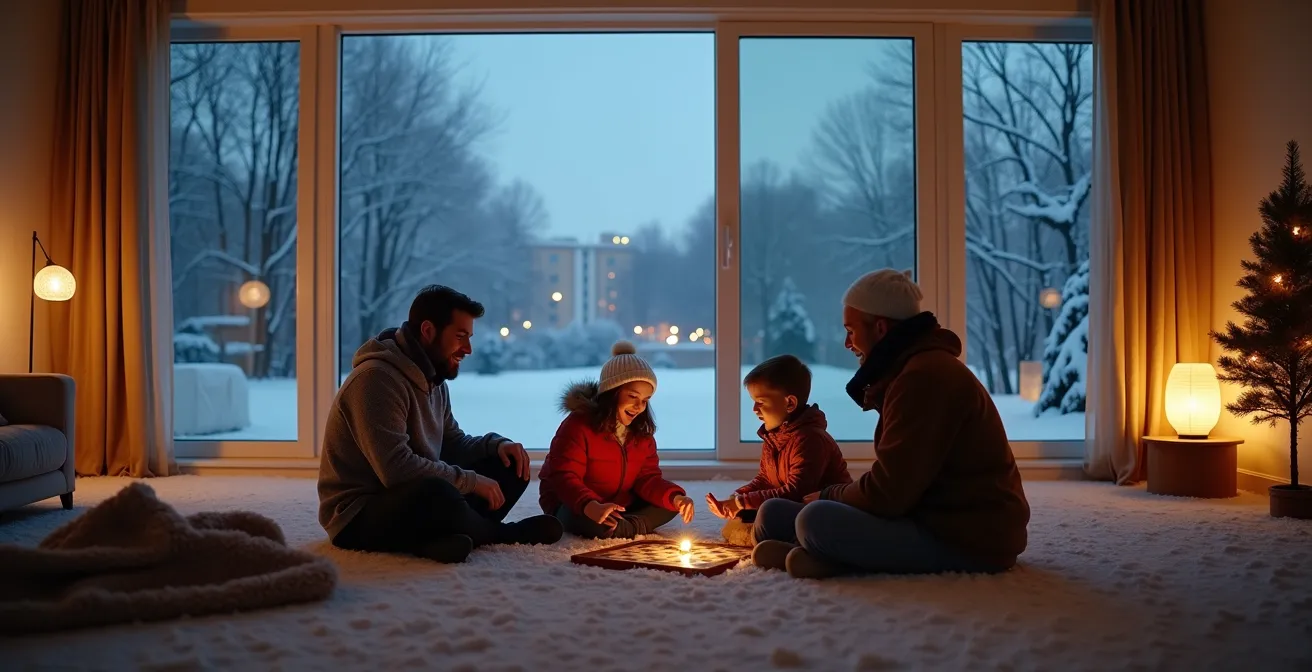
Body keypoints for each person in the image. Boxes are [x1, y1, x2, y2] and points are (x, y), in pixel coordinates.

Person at [752, 269, 1031, 579]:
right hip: (919, 514)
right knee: (773, 512)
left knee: (814, 519)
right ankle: (821, 554)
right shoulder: (909, 371)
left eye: (851, 330)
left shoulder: (925, 378)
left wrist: (831, 494)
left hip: (969, 537)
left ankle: (832, 557)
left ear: (880, 328)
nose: (847, 343)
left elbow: (887, 494)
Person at [318, 285, 563, 564]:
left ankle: (439, 540)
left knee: (511, 466)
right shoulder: (376, 380)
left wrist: (496, 446)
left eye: (469, 337)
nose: (468, 349)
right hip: (359, 514)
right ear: (428, 331)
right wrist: (470, 482)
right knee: (438, 492)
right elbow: (397, 471)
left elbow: (452, 443)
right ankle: (498, 534)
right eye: (460, 336)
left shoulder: (433, 377)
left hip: (418, 502)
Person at [538, 341, 696, 539]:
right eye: (632, 396)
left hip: (620, 502)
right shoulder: (578, 425)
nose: (639, 406)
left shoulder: (641, 433)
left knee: (669, 505)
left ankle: (623, 526)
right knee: (589, 521)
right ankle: (627, 525)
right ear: (612, 392)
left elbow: (647, 479)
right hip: (574, 502)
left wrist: (676, 498)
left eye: (646, 400)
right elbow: (564, 477)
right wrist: (591, 505)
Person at [706, 355, 851, 546]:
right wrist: (738, 497)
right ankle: (780, 543)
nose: (754, 409)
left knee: (769, 511)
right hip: (794, 506)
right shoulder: (773, 437)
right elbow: (766, 480)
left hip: (823, 512)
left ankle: (799, 548)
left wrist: (743, 502)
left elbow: (796, 491)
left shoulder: (810, 439)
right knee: (745, 515)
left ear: (790, 403)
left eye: (761, 401)